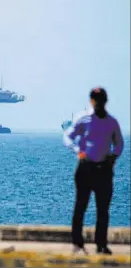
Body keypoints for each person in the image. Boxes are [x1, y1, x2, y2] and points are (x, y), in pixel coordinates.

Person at [63, 87, 124, 255]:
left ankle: (101, 244)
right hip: (85, 167)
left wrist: (114, 156)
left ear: (105, 101)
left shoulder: (112, 122)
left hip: (104, 168)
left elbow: (119, 143)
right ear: (91, 101)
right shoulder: (83, 119)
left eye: (101, 99)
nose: (99, 102)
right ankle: (77, 242)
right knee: (80, 206)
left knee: (103, 209)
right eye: (96, 99)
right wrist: (77, 151)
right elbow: (68, 136)